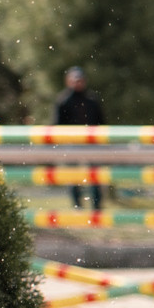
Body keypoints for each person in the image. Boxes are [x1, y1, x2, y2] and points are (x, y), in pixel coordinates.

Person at [53, 67, 105, 209]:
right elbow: (57, 124)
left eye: (80, 80)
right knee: (73, 175)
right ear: (68, 81)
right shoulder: (63, 100)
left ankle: (97, 206)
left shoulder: (92, 99)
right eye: (74, 80)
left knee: (95, 174)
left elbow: (101, 121)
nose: (77, 83)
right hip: (71, 142)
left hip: (91, 142)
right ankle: (77, 205)